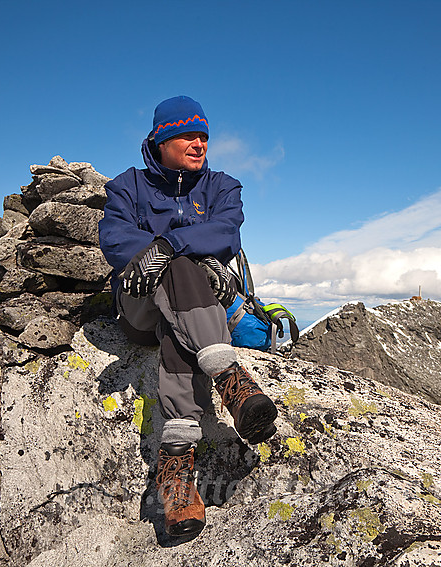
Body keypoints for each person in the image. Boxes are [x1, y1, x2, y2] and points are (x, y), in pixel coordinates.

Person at [98, 96, 278, 538]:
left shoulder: (222, 185)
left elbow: (227, 231)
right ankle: (228, 376)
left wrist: (166, 245)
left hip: (180, 319)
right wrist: (176, 252)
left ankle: (176, 472)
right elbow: (114, 238)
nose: (199, 144)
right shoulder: (128, 186)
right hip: (138, 308)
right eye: (188, 136)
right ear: (161, 140)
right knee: (179, 268)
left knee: (176, 324)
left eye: (204, 136)